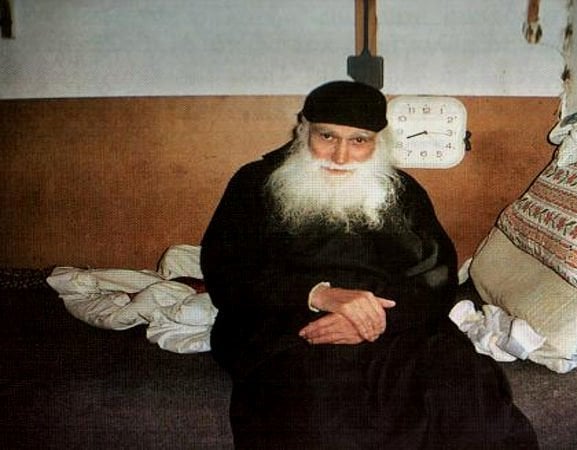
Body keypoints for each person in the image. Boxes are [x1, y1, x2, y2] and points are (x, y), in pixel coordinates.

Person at [200, 80, 538, 449]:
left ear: (378, 142)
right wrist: (317, 295)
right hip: (291, 324)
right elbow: (226, 271)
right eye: (327, 136)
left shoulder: (403, 190)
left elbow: (437, 275)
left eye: (358, 141)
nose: (340, 156)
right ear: (303, 130)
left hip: (395, 323)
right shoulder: (254, 183)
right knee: (321, 421)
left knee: (467, 399)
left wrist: (374, 320)